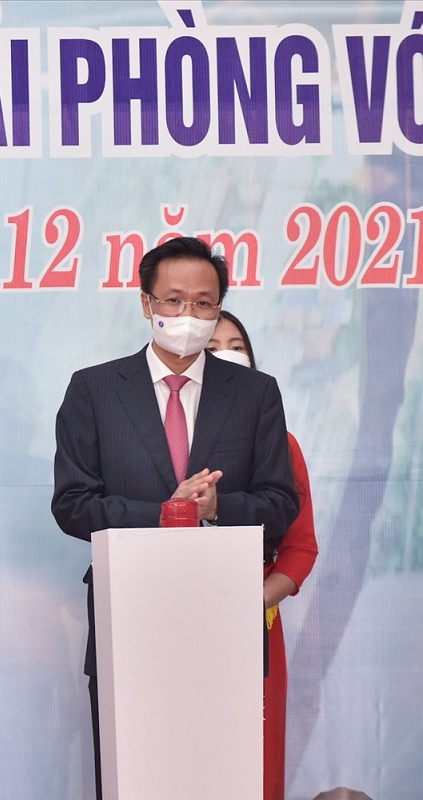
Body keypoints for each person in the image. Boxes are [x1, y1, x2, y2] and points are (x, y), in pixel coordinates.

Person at [50, 236, 300, 800]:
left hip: (225, 613)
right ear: (147, 303)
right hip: (127, 608)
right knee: (132, 771)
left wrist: (218, 508)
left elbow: (281, 503)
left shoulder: (256, 393)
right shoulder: (94, 389)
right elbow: (73, 504)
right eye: (174, 300)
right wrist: (168, 514)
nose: (189, 314)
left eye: (204, 303)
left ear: (219, 308)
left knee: (221, 773)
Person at [207, 310, 319, 800]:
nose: (228, 355)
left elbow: (301, 547)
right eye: (213, 347)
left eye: (237, 346)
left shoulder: (282, 445)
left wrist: (254, 601)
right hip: (174, 620)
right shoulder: (165, 442)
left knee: (254, 763)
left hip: (256, 627)